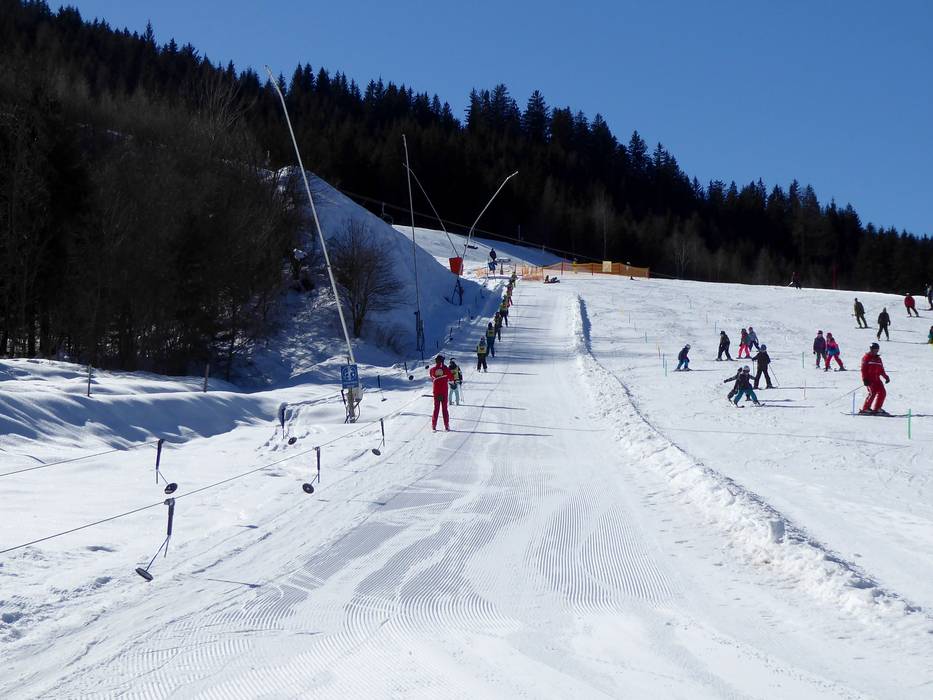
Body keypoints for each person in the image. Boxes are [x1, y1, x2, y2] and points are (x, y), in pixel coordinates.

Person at [860, 342, 890, 415]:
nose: (875, 351)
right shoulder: (866, 357)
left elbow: (881, 370)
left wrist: (886, 377)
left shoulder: (878, 359)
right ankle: (865, 409)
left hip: (877, 379)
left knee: (882, 392)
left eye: (877, 350)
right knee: (872, 393)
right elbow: (863, 369)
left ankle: (877, 408)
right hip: (869, 379)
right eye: (874, 349)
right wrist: (865, 379)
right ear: (871, 349)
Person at [428, 355, 454, 431]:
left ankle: (434, 425)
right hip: (444, 392)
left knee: (436, 409)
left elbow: (432, 377)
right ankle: (446, 425)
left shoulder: (432, 370)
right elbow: (451, 377)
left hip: (436, 392)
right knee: (444, 409)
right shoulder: (446, 369)